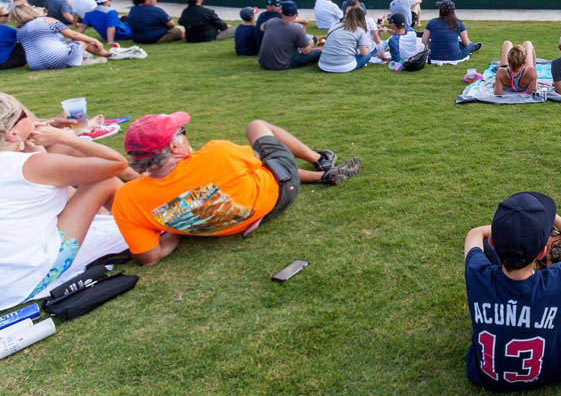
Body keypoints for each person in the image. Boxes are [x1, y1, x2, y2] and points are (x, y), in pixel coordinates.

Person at [112, 112, 360, 266]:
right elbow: (262, 162)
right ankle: (320, 159)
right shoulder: (216, 153)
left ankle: (321, 176)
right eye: (182, 133)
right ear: (174, 148)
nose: (187, 136)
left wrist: (178, 226)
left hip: (235, 223)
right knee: (257, 127)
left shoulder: (128, 199)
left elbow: (150, 257)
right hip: (278, 194)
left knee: (251, 171)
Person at [0, 93, 131, 310]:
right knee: (104, 181)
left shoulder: (28, 163)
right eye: (24, 115)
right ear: (13, 133)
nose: (30, 118)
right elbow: (116, 163)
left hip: (5, 281)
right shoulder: (32, 165)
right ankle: (146, 231)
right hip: (24, 278)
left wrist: (34, 143)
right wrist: (65, 138)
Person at [463, 192, 561, 391]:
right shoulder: (555, 281)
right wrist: (548, 219)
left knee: (485, 257)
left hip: (485, 375)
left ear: (493, 242)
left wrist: (506, 231)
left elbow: (474, 234)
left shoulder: (476, 274)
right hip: (548, 372)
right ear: (541, 252)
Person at [10, 2, 111, 70]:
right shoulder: (47, 20)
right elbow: (73, 34)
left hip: (36, 64)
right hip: (56, 58)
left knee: (71, 44)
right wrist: (94, 40)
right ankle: (109, 54)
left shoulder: (20, 32)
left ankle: (81, 59)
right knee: (82, 42)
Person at [258, 1, 321, 70]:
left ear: (281, 12)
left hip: (263, 62)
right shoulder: (296, 28)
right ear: (296, 13)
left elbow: (262, 27)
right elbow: (306, 51)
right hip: (282, 64)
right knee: (318, 52)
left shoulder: (272, 21)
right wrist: (313, 42)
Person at [318, 5, 375, 73]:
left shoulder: (334, 26)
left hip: (324, 65)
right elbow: (364, 53)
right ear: (362, 18)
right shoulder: (360, 31)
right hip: (344, 66)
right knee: (369, 54)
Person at [0, 5, 27, 70]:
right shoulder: (9, 31)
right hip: (4, 63)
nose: (9, 16)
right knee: (23, 45)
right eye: (6, 15)